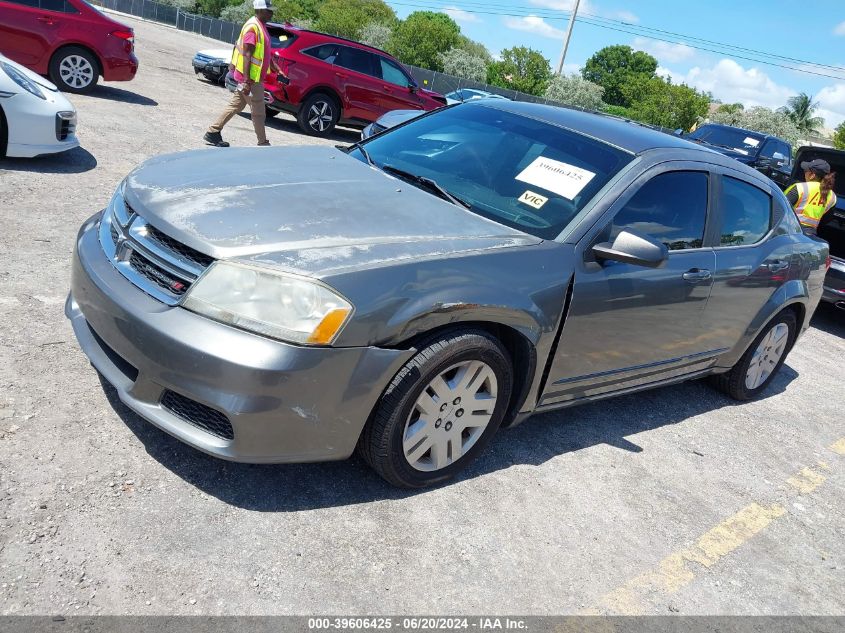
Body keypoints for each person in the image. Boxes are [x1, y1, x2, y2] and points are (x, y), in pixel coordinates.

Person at [204, 0, 277, 147]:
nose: (272, 13)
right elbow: (247, 54)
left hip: (250, 79)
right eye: (269, 10)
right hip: (251, 80)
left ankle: (213, 132)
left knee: (235, 106)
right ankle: (263, 143)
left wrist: (273, 65)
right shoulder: (253, 27)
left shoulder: (259, 26)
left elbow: (259, 50)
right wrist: (246, 81)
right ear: (260, 10)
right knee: (258, 112)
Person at [784, 158, 838, 234]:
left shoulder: (800, 188)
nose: (804, 173)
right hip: (809, 234)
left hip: (788, 229)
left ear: (812, 175)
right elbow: (826, 219)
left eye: (806, 171)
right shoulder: (832, 196)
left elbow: (780, 206)